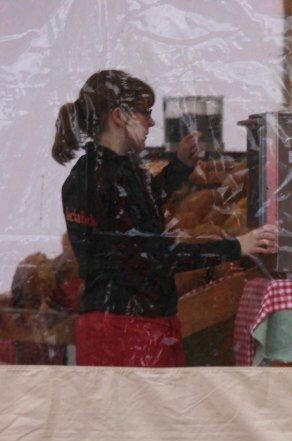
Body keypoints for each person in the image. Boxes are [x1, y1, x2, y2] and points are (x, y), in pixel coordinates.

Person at [52, 69, 277, 367]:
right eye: (145, 113)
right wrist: (235, 246)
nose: (152, 121)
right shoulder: (107, 178)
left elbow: (139, 209)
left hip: (118, 321)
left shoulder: (99, 172)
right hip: (129, 327)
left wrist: (180, 166)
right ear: (119, 116)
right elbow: (153, 255)